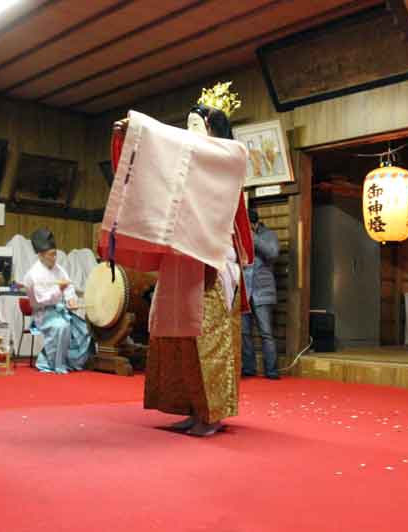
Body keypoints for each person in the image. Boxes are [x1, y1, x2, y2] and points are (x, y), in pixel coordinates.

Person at [140, 82, 252, 436]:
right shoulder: (183, 173)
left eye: (195, 127)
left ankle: (211, 412)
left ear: (215, 133)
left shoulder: (230, 161)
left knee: (207, 338)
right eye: (186, 127)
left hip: (213, 262)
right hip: (181, 261)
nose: (187, 134)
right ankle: (189, 407)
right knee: (178, 339)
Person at [23, 228, 91, 374]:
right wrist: (58, 290)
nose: (54, 258)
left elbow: (68, 286)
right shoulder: (33, 274)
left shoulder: (59, 269)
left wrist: (71, 299)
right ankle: (50, 363)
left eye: (55, 254)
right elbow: (42, 299)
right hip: (43, 313)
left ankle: (71, 362)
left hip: (60, 310)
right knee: (61, 327)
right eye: (51, 255)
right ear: (41, 255)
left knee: (84, 329)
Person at [242, 208, 281, 379]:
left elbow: (273, 253)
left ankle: (271, 371)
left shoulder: (268, 235)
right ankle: (248, 368)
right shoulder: (240, 236)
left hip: (262, 290)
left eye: (249, 225)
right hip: (244, 289)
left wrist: (253, 238)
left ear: (256, 223)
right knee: (244, 333)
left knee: (266, 332)